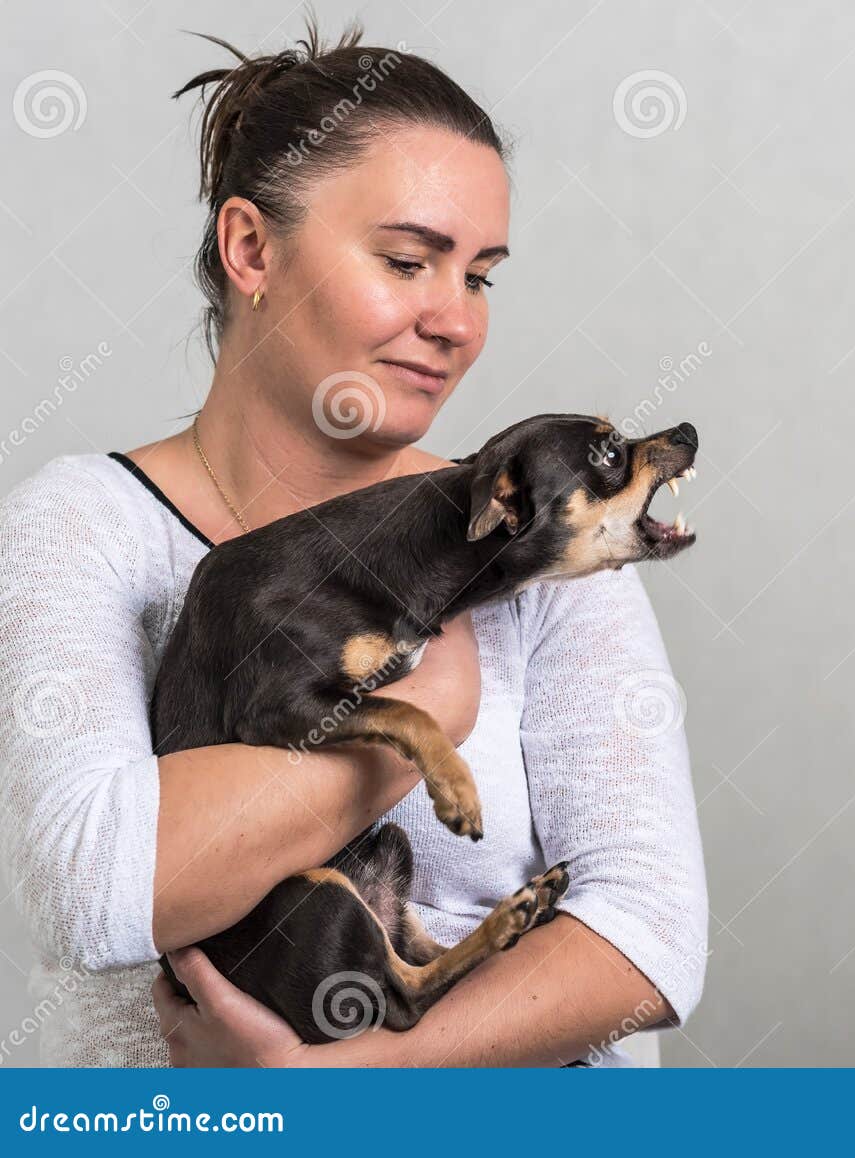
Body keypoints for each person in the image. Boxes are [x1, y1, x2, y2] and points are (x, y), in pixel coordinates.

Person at [0, 19, 707, 1067]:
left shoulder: (530, 534)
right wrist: (422, 713)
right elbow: (102, 890)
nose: (456, 320)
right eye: (409, 260)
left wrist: (347, 1084)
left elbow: (648, 939)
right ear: (251, 249)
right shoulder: (85, 527)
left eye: (480, 276)